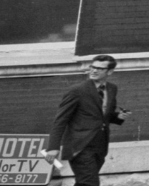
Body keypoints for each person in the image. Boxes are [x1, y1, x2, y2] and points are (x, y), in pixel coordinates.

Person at [44, 55, 130, 186]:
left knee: (84, 182)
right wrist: (53, 147)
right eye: (92, 67)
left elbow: (103, 115)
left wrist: (118, 117)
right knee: (89, 183)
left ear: (110, 72)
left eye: (100, 69)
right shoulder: (77, 90)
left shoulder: (112, 89)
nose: (94, 71)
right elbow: (60, 120)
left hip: (100, 146)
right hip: (80, 146)